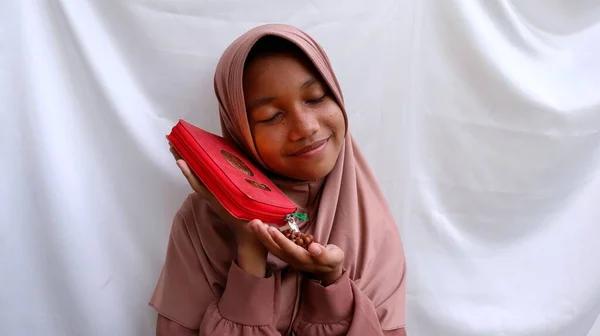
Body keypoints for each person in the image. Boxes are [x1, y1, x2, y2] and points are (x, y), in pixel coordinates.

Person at [150, 23, 407, 336]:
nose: (306, 127)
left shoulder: (369, 222)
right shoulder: (203, 222)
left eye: (315, 98)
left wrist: (330, 284)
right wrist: (249, 251)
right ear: (239, 129)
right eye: (272, 116)